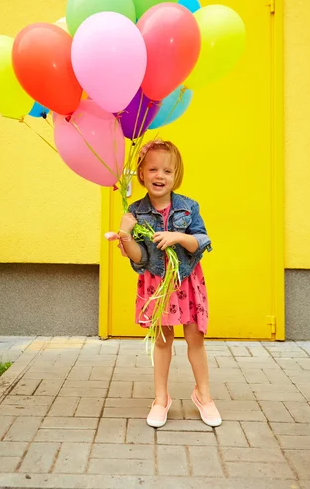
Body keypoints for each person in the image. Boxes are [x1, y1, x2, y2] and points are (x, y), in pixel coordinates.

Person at [117, 139, 222, 429]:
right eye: (152, 169)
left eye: (167, 171)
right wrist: (125, 236)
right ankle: (161, 399)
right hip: (157, 286)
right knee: (162, 342)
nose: (159, 176)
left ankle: (204, 395)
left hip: (186, 281)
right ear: (141, 173)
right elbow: (139, 260)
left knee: (194, 340)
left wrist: (176, 237)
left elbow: (201, 242)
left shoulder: (188, 207)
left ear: (176, 175)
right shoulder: (135, 212)